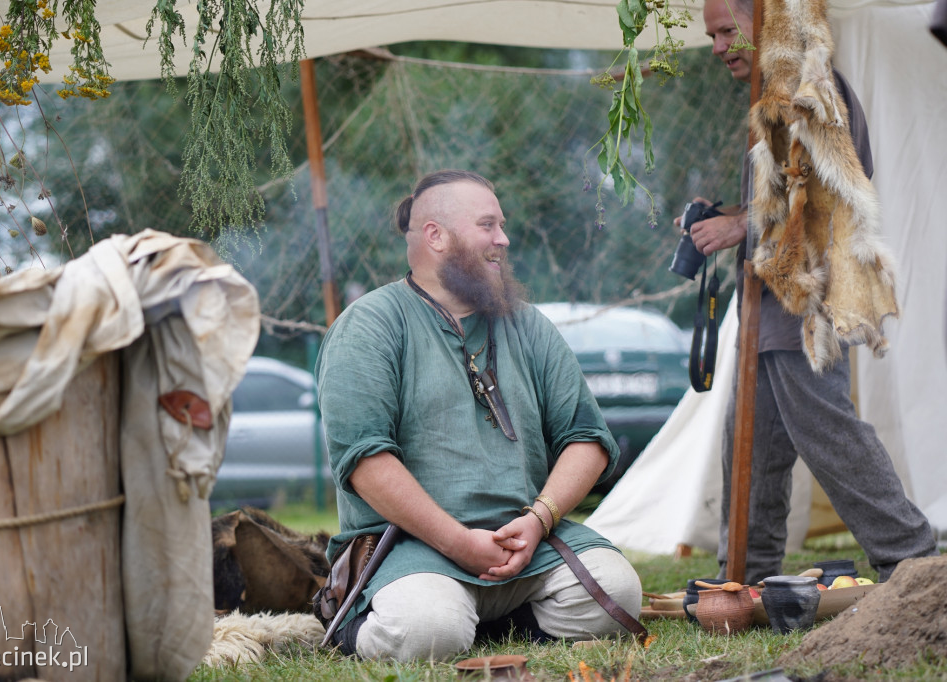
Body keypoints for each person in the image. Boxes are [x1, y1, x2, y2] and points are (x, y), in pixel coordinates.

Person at [314, 170, 642, 661]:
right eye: (488, 225)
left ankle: (485, 620)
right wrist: (460, 543)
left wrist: (539, 519)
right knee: (428, 630)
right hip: (410, 548)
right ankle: (357, 622)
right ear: (435, 235)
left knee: (618, 592)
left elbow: (587, 438)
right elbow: (365, 464)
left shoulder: (526, 324)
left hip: (524, 543)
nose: (503, 239)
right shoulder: (370, 325)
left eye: (502, 225)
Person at [687, 0, 938, 586]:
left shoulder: (806, 89)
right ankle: (745, 578)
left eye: (728, 31)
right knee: (750, 447)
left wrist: (740, 225)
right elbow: (783, 193)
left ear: (766, 26)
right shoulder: (771, 94)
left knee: (830, 435)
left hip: (807, 304)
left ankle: (915, 563)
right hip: (770, 307)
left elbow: (829, 193)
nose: (719, 45)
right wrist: (726, 213)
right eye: (712, 35)